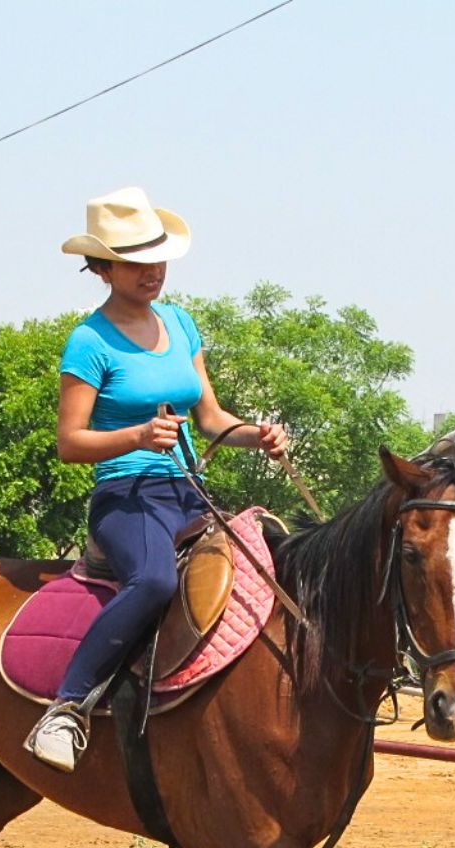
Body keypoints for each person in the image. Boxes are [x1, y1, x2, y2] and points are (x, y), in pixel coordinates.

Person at [28, 186, 288, 771]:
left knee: (270, 565)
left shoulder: (181, 323)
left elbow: (213, 419)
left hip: (187, 493)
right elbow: (70, 443)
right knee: (153, 584)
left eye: (158, 258)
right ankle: (66, 708)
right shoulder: (89, 341)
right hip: (125, 495)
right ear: (101, 268)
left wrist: (259, 434)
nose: (153, 272)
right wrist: (137, 437)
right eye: (136, 262)